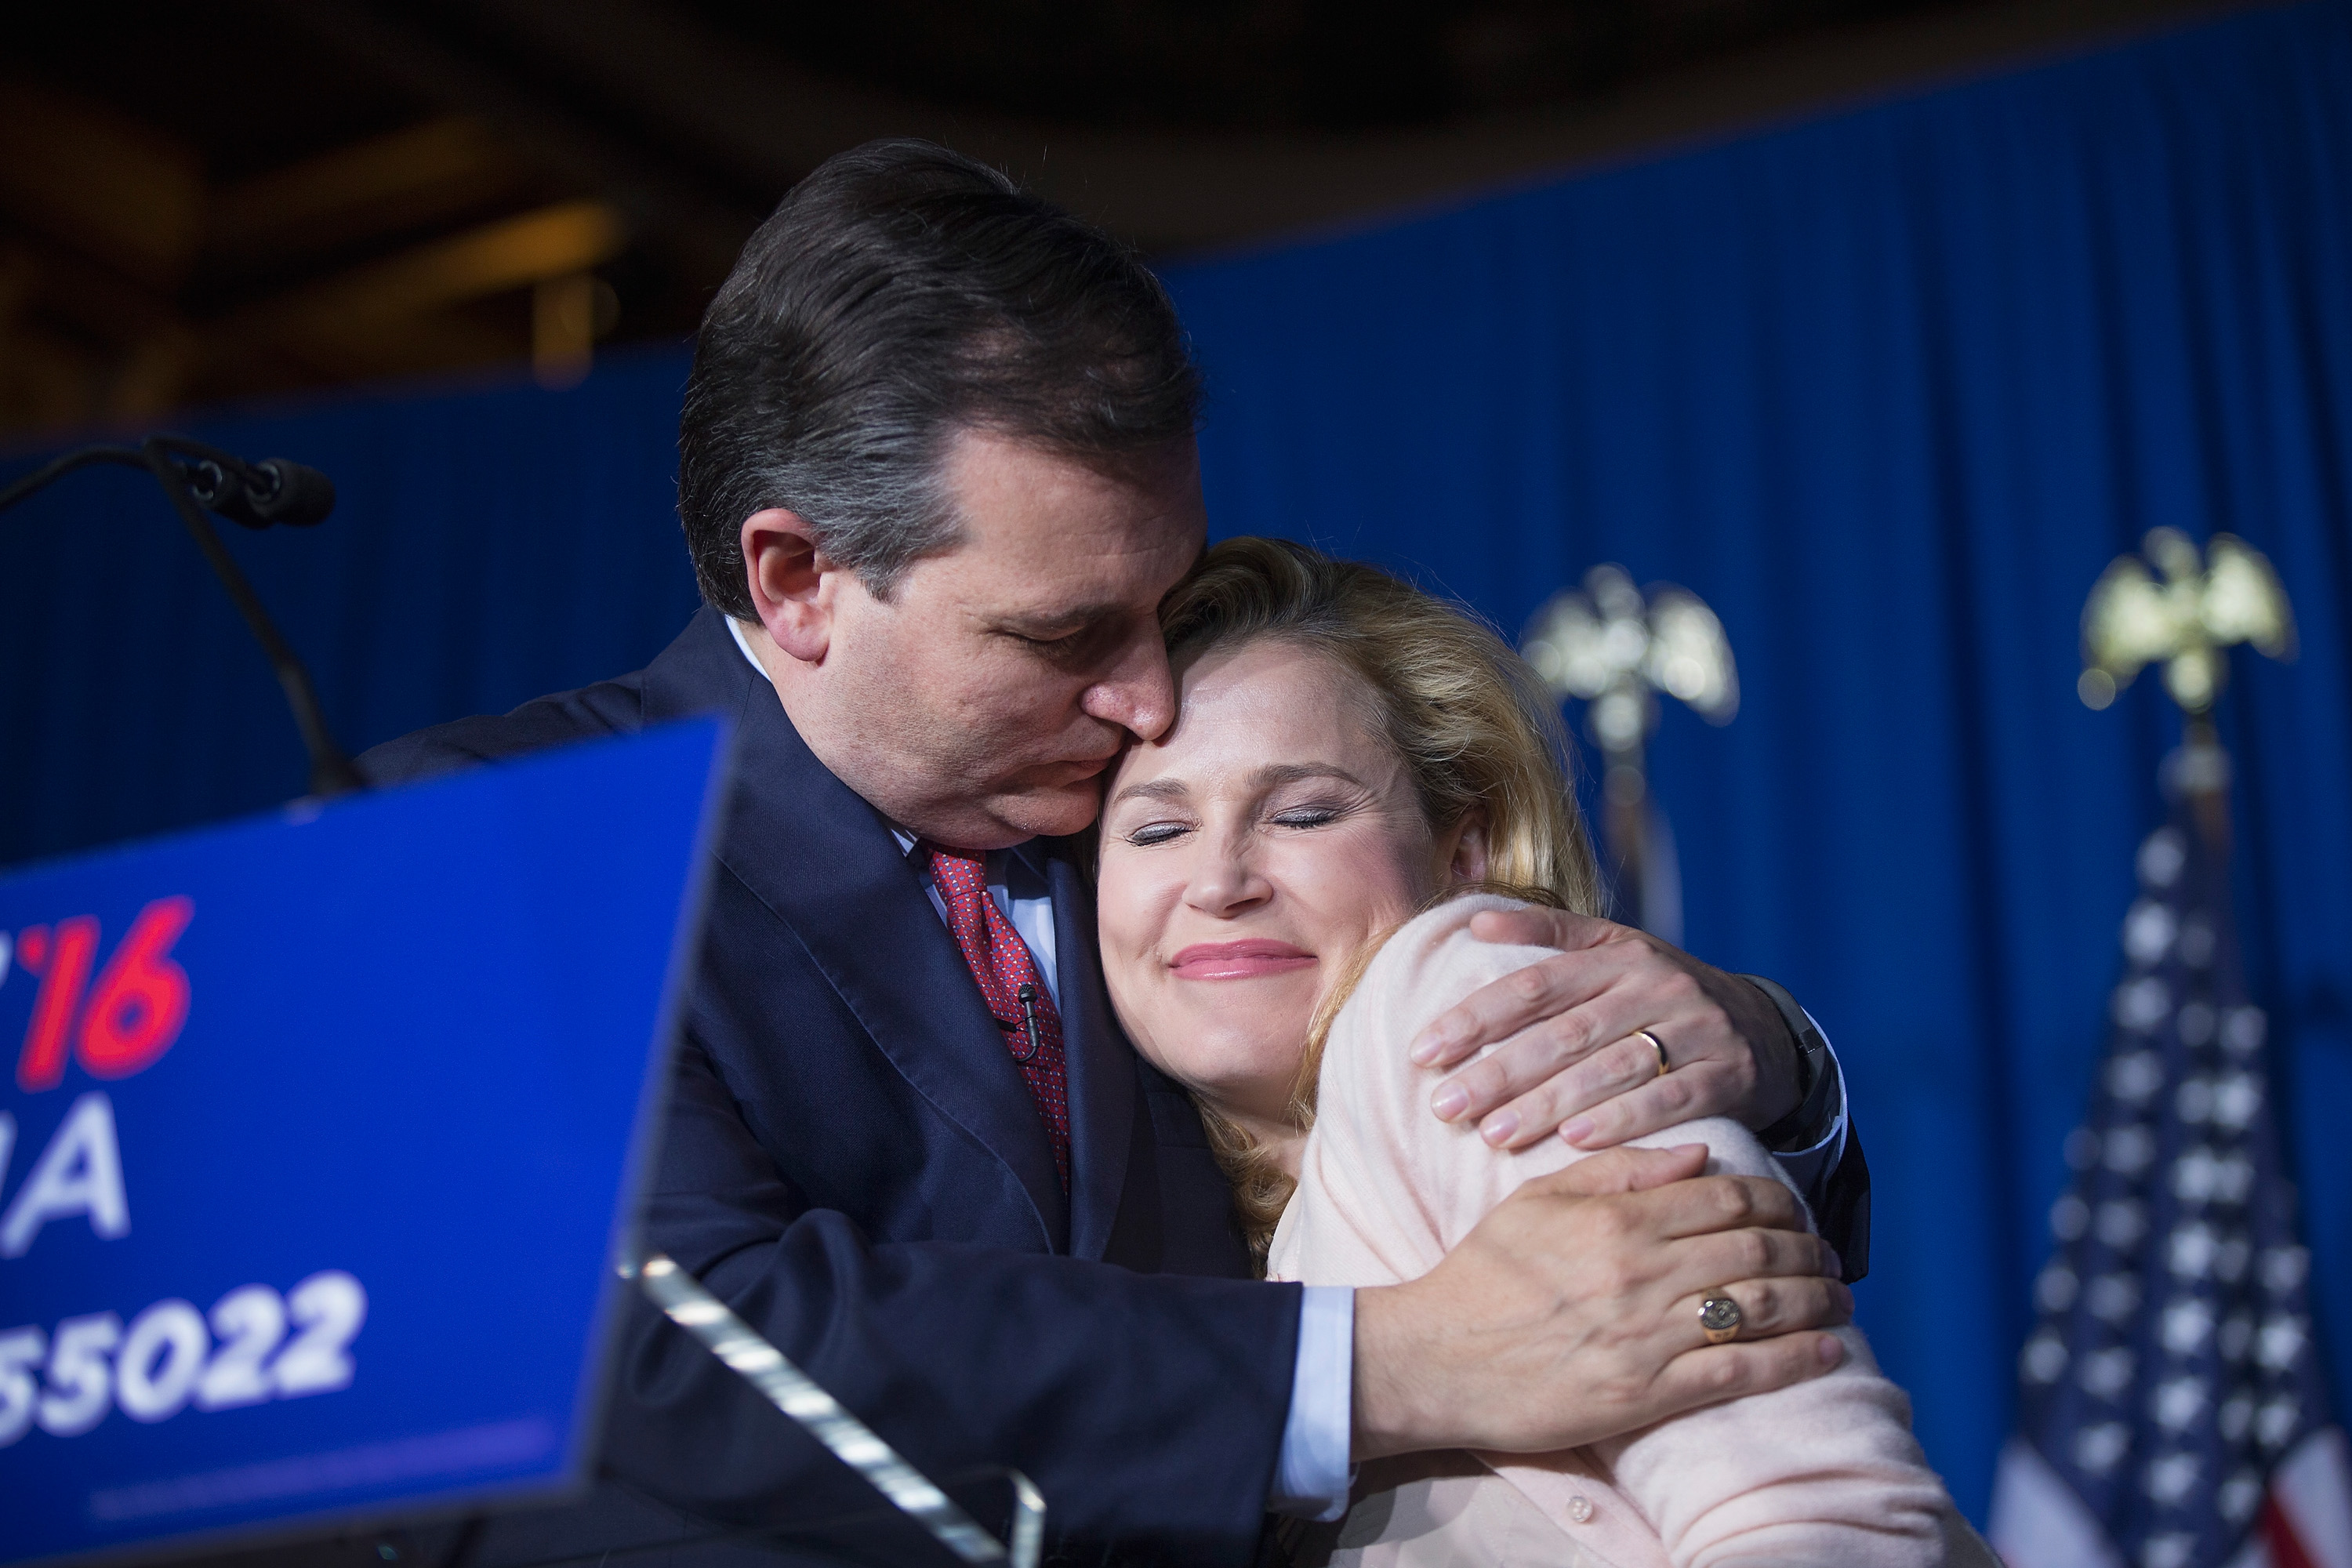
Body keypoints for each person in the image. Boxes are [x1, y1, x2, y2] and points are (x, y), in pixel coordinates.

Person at [359, 140, 1870, 1566]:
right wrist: (1377, 1369)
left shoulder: (1140, 805)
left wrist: (1761, 1050)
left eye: (1162, 604)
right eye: (1065, 634)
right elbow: (684, 1349)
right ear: (802, 578)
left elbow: (1454, 1111)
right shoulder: (485, 842)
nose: (1150, 701)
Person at [1098, 538, 1994, 1565]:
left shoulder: (1470, 1018)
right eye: (1156, 831)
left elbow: (1827, 1528)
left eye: (1304, 813)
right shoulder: (1110, 1198)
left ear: (1464, 853)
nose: (1219, 881)